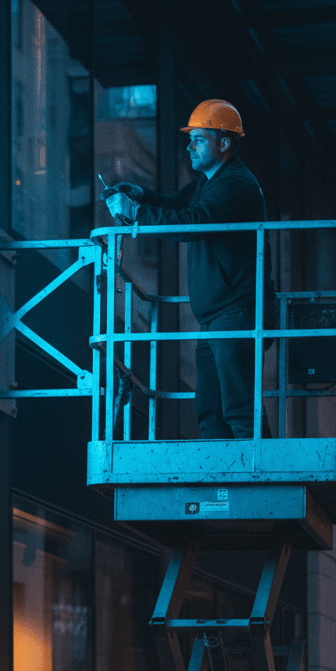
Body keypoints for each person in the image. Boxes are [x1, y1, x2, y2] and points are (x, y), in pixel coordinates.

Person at [104, 99, 276, 440]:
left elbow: (192, 222)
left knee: (240, 410)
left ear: (224, 143)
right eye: (190, 138)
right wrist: (140, 195)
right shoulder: (210, 181)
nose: (190, 145)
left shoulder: (235, 183)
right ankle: (225, 486)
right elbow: (178, 205)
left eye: (199, 138)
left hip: (235, 313)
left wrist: (135, 213)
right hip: (218, 316)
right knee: (211, 413)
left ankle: (265, 485)